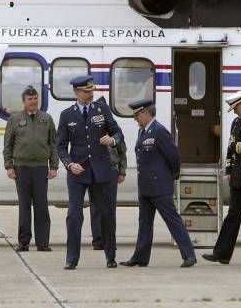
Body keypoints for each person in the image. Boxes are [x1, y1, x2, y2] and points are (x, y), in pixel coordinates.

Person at [56, 75, 123, 270]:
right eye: (86, 91)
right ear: (77, 92)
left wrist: (112, 141)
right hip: (78, 172)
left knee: (106, 214)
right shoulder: (67, 115)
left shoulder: (102, 109)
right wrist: (69, 164)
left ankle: (110, 256)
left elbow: (118, 132)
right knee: (74, 215)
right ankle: (72, 258)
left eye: (91, 90)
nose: (91, 94)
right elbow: (60, 146)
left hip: (101, 171)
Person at [119, 99, 197, 268]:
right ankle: (140, 257)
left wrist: (173, 175)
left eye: (137, 115)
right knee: (144, 224)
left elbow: (174, 156)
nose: (135, 119)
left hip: (160, 187)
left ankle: (189, 255)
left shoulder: (159, 131)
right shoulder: (143, 132)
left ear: (146, 113)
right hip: (146, 187)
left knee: (173, 221)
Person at [202, 90, 241, 265]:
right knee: (233, 215)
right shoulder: (236, 123)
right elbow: (231, 147)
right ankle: (221, 253)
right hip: (237, 177)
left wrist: (239, 147)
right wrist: (229, 171)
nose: (235, 112)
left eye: (236, 108)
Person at [2, 85, 59, 252]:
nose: (33, 102)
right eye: (30, 99)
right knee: (24, 206)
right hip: (21, 168)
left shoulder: (46, 119)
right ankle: (24, 242)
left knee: (41, 205)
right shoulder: (14, 120)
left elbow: (53, 144)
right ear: (24, 101)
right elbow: (8, 145)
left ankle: (43, 242)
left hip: (41, 168)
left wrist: (53, 166)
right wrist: (9, 166)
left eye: (35, 99)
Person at [90, 96, 127, 251]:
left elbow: (122, 151)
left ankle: (110, 240)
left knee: (110, 208)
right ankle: (98, 240)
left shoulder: (114, 132)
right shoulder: (90, 131)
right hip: (95, 170)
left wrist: (122, 171)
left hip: (111, 170)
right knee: (96, 207)